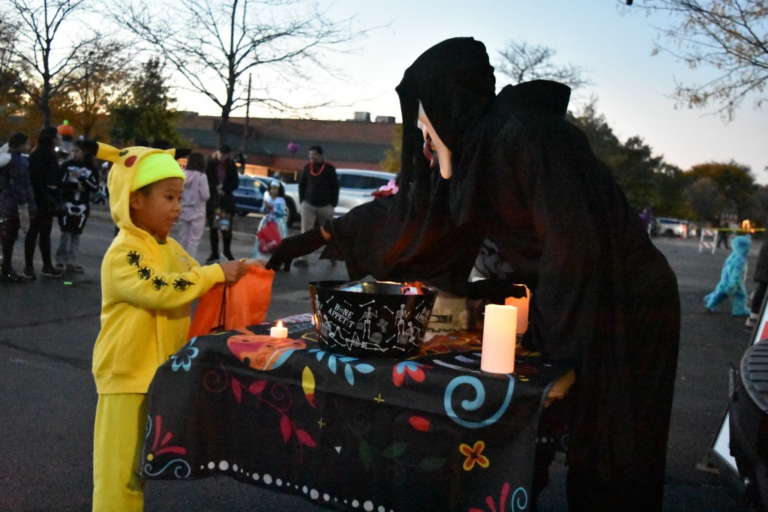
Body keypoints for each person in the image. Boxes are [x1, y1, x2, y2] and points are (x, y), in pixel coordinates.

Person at [267, 38, 680, 511]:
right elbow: (412, 211)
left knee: (615, 451)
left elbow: (575, 248)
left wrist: (554, 357)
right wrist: (320, 237)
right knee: (562, 440)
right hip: (572, 308)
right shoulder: (474, 156)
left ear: (449, 106)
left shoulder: (529, 137)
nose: (423, 144)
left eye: (426, 127)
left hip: (626, 308)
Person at [90, 141, 251, 511]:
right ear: (135, 200)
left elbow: (194, 274)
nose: (178, 208)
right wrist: (214, 273)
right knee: (118, 474)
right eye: (169, 197)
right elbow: (161, 290)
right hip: (125, 375)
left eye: (180, 197)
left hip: (156, 376)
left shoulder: (168, 246)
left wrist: (238, 270)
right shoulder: (126, 252)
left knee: (138, 469)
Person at [55, 138, 100, 272]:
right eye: (73, 150)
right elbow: (59, 182)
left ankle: (72, 261)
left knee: (76, 233)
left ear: (84, 152)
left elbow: (95, 186)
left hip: (82, 205)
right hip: (67, 203)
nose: (74, 153)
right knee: (65, 233)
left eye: (77, 151)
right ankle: (60, 259)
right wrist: (74, 185)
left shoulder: (91, 169)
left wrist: (81, 179)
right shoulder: (66, 165)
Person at [25, 126, 64, 278]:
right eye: (58, 135)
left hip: (43, 197)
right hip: (42, 198)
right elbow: (39, 180)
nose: (61, 137)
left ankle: (40, 265)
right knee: (37, 232)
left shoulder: (40, 153)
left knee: (40, 233)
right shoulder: (44, 155)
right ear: (52, 138)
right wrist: (49, 198)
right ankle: (37, 266)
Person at [294, 145, 338, 267]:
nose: (311, 157)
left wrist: (333, 203)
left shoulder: (329, 169)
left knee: (328, 232)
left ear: (320, 155)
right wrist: (303, 200)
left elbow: (335, 187)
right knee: (305, 231)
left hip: (326, 206)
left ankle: (332, 255)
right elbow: (302, 185)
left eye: (313, 155)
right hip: (309, 205)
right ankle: (303, 258)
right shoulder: (307, 168)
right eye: (310, 155)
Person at [0, 133, 35, 283]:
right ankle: (7, 269)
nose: (29, 147)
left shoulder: (5, 159)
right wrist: (24, 206)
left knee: (4, 237)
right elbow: (20, 186)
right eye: (27, 144)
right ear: (20, 145)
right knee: (10, 238)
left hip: (4, 203)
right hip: (13, 206)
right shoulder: (18, 162)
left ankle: (5, 267)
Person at [204, 144, 239, 263]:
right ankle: (214, 253)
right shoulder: (210, 163)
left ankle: (226, 250)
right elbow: (206, 181)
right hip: (214, 200)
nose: (222, 156)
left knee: (225, 227)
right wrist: (215, 188)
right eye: (221, 153)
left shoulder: (231, 165)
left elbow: (235, 183)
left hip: (225, 200)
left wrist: (224, 187)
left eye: (225, 154)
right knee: (214, 227)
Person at [705, 234, 752, 316]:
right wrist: (733, 284)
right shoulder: (740, 259)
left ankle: (710, 300)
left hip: (725, 279)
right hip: (734, 283)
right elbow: (736, 273)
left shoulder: (733, 256)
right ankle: (739, 310)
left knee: (721, 292)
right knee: (740, 295)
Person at [177, 152, 210, 258]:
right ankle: (188, 264)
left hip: (183, 210)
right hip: (197, 211)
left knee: (183, 239)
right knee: (193, 240)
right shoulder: (201, 176)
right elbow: (205, 195)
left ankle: (180, 262)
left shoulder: (183, 174)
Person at [252, 179, 288, 261]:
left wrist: (272, 207)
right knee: (265, 237)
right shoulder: (268, 198)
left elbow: (281, 212)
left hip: (278, 223)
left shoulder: (281, 201)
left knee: (277, 238)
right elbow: (263, 210)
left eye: (275, 189)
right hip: (267, 221)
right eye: (272, 188)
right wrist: (265, 208)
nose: (273, 190)